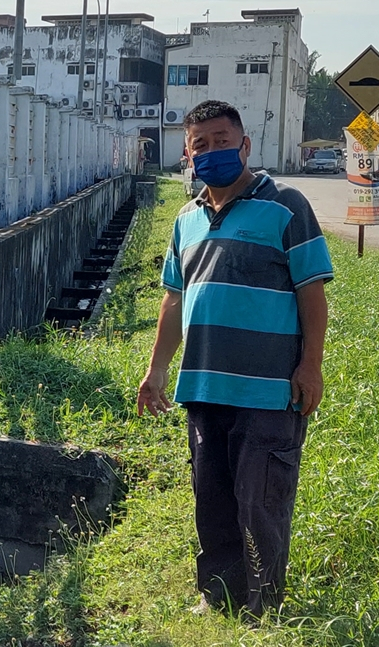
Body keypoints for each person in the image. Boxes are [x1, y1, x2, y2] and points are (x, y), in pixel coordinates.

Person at [136, 100, 332, 619]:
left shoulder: (287, 206)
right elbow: (174, 299)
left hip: (268, 389)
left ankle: (263, 605)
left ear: (245, 146)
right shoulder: (185, 220)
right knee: (213, 498)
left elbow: (312, 292)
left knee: (262, 501)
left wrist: (310, 366)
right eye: (201, 144)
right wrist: (156, 370)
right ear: (187, 154)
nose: (213, 151)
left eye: (223, 141)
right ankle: (218, 592)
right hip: (203, 387)